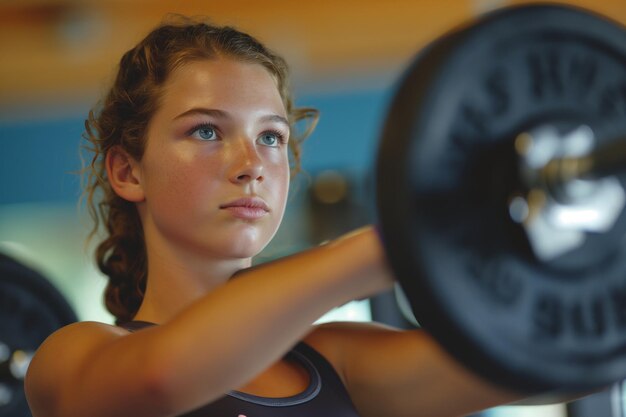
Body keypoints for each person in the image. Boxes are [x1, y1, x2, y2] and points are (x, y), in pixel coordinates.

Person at [25, 15, 522, 417]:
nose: (251, 167)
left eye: (270, 138)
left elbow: (528, 360)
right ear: (128, 171)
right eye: (205, 132)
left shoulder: (336, 360)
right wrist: (394, 244)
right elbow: (164, 379)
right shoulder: (70, 358)